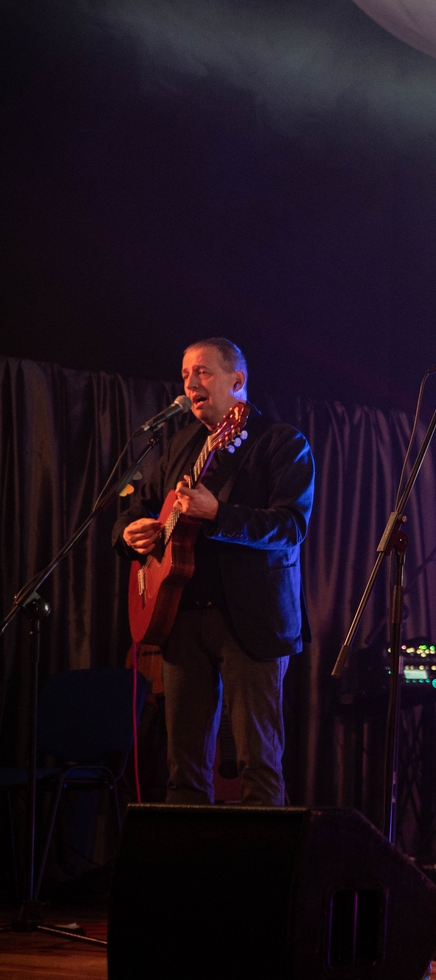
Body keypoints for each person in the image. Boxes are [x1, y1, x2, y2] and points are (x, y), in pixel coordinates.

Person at [113, 338, 314, 806]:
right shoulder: (181, 443)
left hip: (251, 620)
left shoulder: (282, 442)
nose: (190, 383)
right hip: (180, 614)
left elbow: (291, 526)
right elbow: (138, 508)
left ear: (237, 380)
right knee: (182, 768)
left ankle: (262, 856)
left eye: (202, 372)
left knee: (257, 764)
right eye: (185, 374)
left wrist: (218, 514)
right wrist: (128, 533)